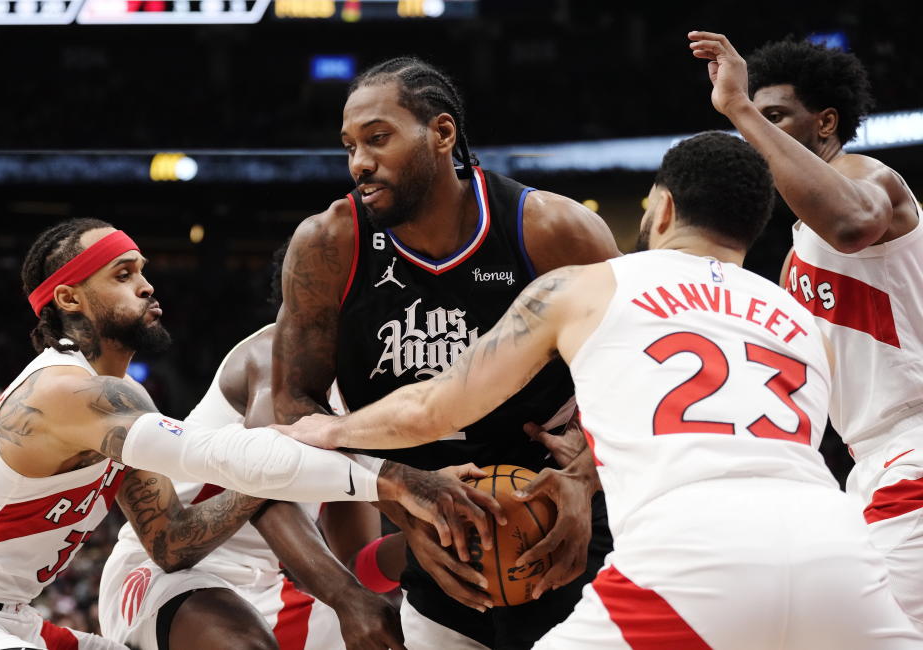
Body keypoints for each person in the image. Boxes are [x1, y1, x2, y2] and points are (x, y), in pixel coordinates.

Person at [282, 131, 923, 649]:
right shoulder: (796, 317)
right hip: (833, 550)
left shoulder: (591, 286)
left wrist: (332, 430)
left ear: (664, 207)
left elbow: (434, 404)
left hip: (691, 551)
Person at [0, 218, 499, 650]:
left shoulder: (117, 401)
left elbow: (172, 542)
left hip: (12, 616)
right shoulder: (70, 393)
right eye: (123, 274)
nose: (148, 284)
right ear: (69, 299)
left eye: (142, 270)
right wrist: (399, 481)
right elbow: (221, 454)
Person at [271, 57, 621, 649]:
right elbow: (293, 403)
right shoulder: (329, 244)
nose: (359, 162)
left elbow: (632, 380)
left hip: (557, 512)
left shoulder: (553, 230)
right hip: (429, 521)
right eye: (350, 146)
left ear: (441, 133)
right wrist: (402, 498)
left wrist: (585, 483)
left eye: (378, 139)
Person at [688, 31, 923, 631]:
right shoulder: (796, 252)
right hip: (870, 462)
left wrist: (737, 105)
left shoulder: (869, 176)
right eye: (754, 119)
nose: (754, 133)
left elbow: (851, 223)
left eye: (774, 117)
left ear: (825, 122)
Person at [99, 244, 409, 650]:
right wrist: (348, 598)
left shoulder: (372, 395)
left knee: (399, 637)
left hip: (265, 587)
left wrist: (428, 544)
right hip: (169, 572)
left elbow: (356, 564)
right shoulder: (272, 354)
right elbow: (266, 486)